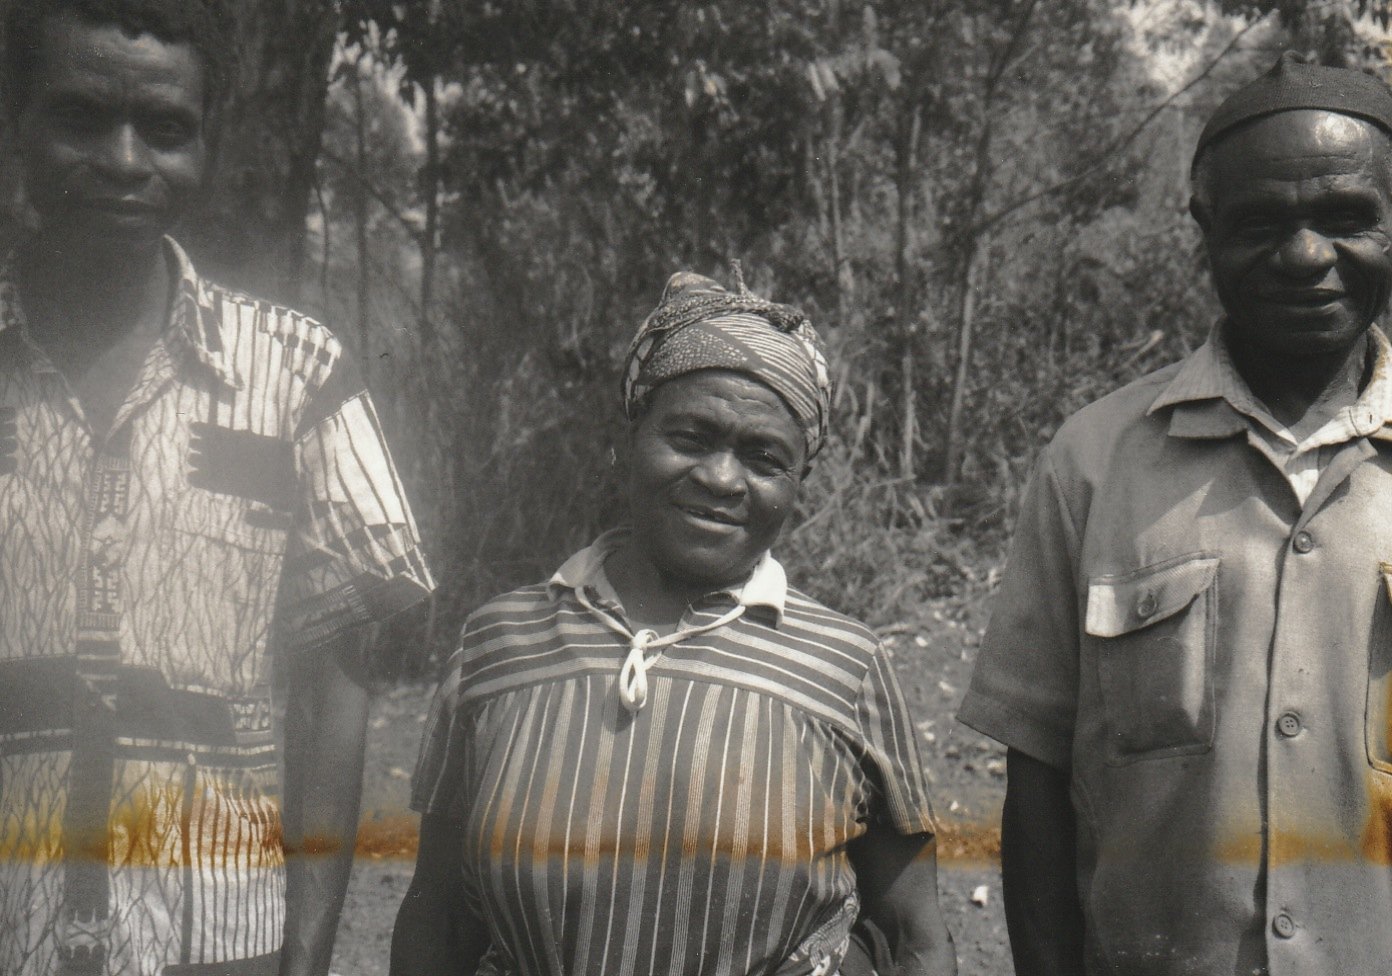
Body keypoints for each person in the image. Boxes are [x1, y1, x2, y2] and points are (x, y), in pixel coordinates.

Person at [0, 2, 433, 975]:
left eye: (164, 128)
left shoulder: (297, 379)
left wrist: (307, 954)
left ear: (207, 145)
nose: (122, 159)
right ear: (13, 123)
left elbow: (333, 692)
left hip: (219, 946)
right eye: (77, 117)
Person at [958, 51, 1392, 976]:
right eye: (1260, 223)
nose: (1306, 254)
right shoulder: (1091, 461)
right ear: (1203, 230)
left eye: (1348, 219)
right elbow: (1036, 780)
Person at [391, 270, 956, 976]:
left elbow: (914, 939)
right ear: (626, 441)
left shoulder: (846, 666)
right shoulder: (498, 645)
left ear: (797, 485)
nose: (721, 477)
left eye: (763, 456)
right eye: (691, 436)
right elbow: (439, 917)